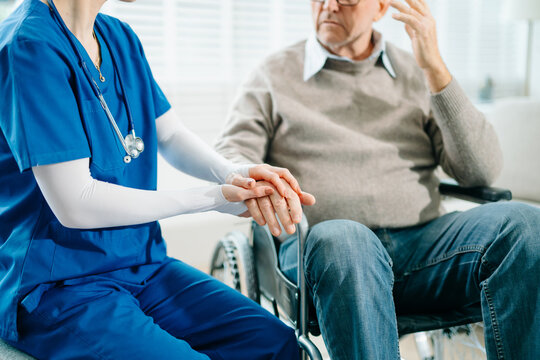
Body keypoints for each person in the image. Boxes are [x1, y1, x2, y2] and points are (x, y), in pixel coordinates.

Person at [214, 0, 540, 359]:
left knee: (524, 224)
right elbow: (231, 157)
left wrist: (435, 67)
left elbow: (481, 170)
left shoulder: (417, 70)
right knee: (346, 240)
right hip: (327, 245)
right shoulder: (273, 74)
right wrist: (256, 180)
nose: (330, 6)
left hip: (424, 247)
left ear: (381, 8)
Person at [0, 0, 309, 358]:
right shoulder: (29, 47)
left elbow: (170, 135)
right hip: (61, 286)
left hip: (142, 266)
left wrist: (235, 175)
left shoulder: (118, 37)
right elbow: (76, 203)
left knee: (273, 343)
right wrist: (213, 198)